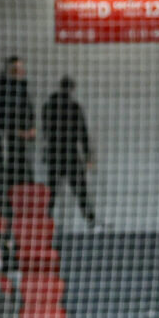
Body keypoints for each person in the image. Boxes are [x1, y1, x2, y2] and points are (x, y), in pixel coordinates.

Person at [43, 77, 95, 225]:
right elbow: (82, 133)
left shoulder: (48, 106)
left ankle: (46, 220)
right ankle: (90, 220)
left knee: (52, 190)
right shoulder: (74, 108)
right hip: (70, 153)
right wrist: (88, 156)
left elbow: (46, 132)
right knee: (80, 189)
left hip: (54, 153)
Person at [0, 56, 36, 185]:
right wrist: (16, 132)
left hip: (25, 139)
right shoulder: (1, 88)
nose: (19, 71)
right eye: (16, 68)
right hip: (8, 139)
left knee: (26, 169)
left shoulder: (23, 87)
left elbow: (29, 110)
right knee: (12, 170)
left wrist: (32, 128)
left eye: (21, 68)